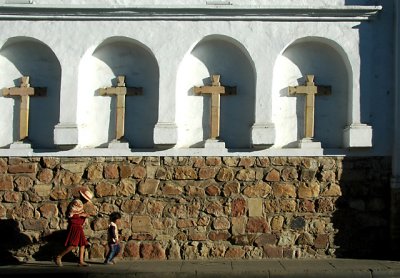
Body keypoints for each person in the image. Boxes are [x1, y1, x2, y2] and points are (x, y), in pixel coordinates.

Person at [54, 188, 93, 267]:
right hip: (75, 225)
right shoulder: (76, 203)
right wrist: (81, 215)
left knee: (82, 244)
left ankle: (81, 261)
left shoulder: (80, 203)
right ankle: (59, 256)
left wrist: (84, 215)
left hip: (78, 225)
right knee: (73, 245)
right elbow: (70, 215)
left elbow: (78, 213)